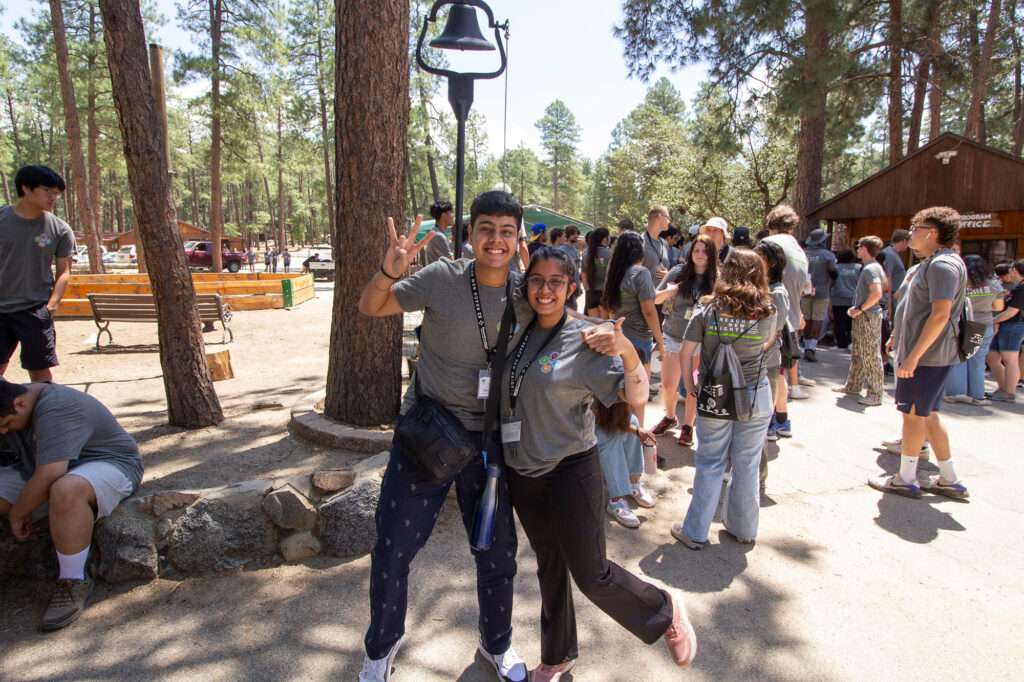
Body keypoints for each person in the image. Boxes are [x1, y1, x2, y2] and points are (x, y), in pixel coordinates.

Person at [356, 191, 532, 682]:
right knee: (393, 549)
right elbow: (371, 307)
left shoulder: (526, 292)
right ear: (470, 233)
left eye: (505, 231)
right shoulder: (440, 278)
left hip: (490, 446)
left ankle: (496, 644)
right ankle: (381, 649)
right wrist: (389, 271)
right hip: (426, 440)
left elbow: (563, 330)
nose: (495, 239)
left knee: (497, 553)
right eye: (485, 229)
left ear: (517, 239)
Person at [502, 247, 696, 680]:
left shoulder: (589, 337)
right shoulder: (518, 329)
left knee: (591, 573)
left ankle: (663, 608)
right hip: (524, 472)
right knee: (550, 564)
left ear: (572, 288)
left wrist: (627, 349)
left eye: (556, 281)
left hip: (572, 470)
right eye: (537, 279)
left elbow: (635, 396)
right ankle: (558, 653)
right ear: (526, 284)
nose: (545, 289)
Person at [0, 378, 143, 630]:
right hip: (40, 469)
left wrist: (17, 514)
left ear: (20, 403)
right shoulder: (11, 405)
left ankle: (72, 580)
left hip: (109, 464)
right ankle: (56, 516)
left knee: (64, 489)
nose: (3, 432)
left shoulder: (57, 406)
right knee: (58, 487)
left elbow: (49, 475)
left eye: (6, 425)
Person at [670, 249, 777, 548]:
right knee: (747, 462)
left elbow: (686, 351)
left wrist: (691, 385)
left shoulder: (707, 309)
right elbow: (766, 344)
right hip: (755, 393)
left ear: (725, 272)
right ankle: (744, 529)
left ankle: (694, 531)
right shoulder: (767, 310)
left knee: (710, 462)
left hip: (715, 392)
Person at [869, 207, 969, 500]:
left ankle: (906, 478)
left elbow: (940, 315)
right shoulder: (933, 263)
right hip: (925, 354)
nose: (911, 231)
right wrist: (897, 336)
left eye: (916, 227)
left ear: (933, 233)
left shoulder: (942, 266)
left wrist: (912, 356)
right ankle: (949, 478)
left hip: (925, 357)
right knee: (927, 415)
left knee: (912, 415)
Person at [0, 165, 75, 383]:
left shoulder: (60, 229)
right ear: (25, 188)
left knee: (40, 374)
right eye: (47, 191)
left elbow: (64, 272)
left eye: (56, 193)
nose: (53, 197)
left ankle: (46, 416)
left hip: (35, 311)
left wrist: (50, 307)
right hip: (1, 311)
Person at [650, 234, 718, 447]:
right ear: (690, 252)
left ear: (711, 255)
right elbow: (656, 298)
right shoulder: (678, 272)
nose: (700, 255)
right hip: (673, 335)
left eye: (705, 251)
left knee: (692, 387)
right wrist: (670, 291)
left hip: (699, 341)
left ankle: (688, 426)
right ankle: (670, 417)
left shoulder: (716, 278)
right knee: (669, 385)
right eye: (696, 250)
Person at [602, 231, 665, 422]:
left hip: (619, 338)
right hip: (638, 342)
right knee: (638, 398)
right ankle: (638, 441)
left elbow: (610, 309)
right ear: (639, 251)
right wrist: (660, 342)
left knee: (620, 399)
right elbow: (649, 311)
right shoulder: (640, 272)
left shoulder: (613, 273)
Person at [760, 206, 809, 402]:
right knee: (781, 367)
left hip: (771, 316)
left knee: (772, 373)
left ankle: (775, 418)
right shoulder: (798, 248)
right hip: (792, 316)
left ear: (770, 222)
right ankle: (784, 408)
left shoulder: (769, 243)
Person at [833, 236, 886, 406]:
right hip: (864, 315)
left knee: (870, 354)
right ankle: (853, 385)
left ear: (864, 248)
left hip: (868, 316)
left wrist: (860, 309)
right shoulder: (871, 267)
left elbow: (877, 293)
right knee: (858, 352)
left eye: (858, 246)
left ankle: (875, 393)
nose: (857, 249)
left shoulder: (871, 269)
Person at [944, 255, 1003, 405]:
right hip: (984, 325)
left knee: (959, 356)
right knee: (978, 359)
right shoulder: (993, 285)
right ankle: (977, 395)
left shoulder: (958, 283)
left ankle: (956, 392)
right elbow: (998, 307)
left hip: (961, 324)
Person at [594, 401, 656, 528]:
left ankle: (632, 482)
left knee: (632, 420)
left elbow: (631, 404)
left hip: (604, 416)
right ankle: (616, 499)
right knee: (609, 436)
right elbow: (595, 417)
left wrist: (634, 427)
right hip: (584, 420)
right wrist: (632, 429)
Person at [755, 241, 790, 456]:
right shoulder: (760, 288)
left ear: (773, 262)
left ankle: (757, 476)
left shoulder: (777, 293)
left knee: (759, 423)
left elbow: (772, 333)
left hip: (766, 362)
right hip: (756, 360)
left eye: (760, 256)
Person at [988, 259, 1024, 402]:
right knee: (992, 356)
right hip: (1007, 325)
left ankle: (1009, 392)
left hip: (1014, 325)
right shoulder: (1018, 286)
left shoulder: (1022, 288)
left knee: (1010, 360)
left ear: (1015, 270)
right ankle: (1004, 387)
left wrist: (991, 322)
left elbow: (1011, 312)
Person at [801, 229, 837, 362]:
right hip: (822, 292)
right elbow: (834, 274)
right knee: (817, 319)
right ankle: (812, 348)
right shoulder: (828, 255)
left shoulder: (804, 254)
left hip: (805, 291)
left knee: (806, 319)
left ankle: (805, 345)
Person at [831, 249, 861, 350]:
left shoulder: (835, 268)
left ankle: (840, 343)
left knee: (839, 323)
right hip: (854, 299)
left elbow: (831, 282)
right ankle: (850, 342)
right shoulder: (859, 268)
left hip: (838, 299)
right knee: (852, 323)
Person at [581, 227, 611, 317]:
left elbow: (584, 276)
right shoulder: (610, 253)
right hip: (605, 292)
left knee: (593, 324)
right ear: (605, 239)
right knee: (604, 325)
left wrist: (588, 290)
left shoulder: (587, 254)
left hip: (591, 292)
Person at [642, 206, 672, 281]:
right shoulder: (639, 242)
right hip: (645, 292)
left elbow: (666, 268)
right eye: (667, 217)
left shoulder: (664, 243)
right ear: (659, 217)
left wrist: (668, 275)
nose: (669, 221)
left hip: (663, 291)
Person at [423, 199, 455, 265]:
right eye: (451, 212)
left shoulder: (435, 231)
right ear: (443, 215)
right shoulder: (439, 236)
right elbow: (451, 263)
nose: (454, 215)